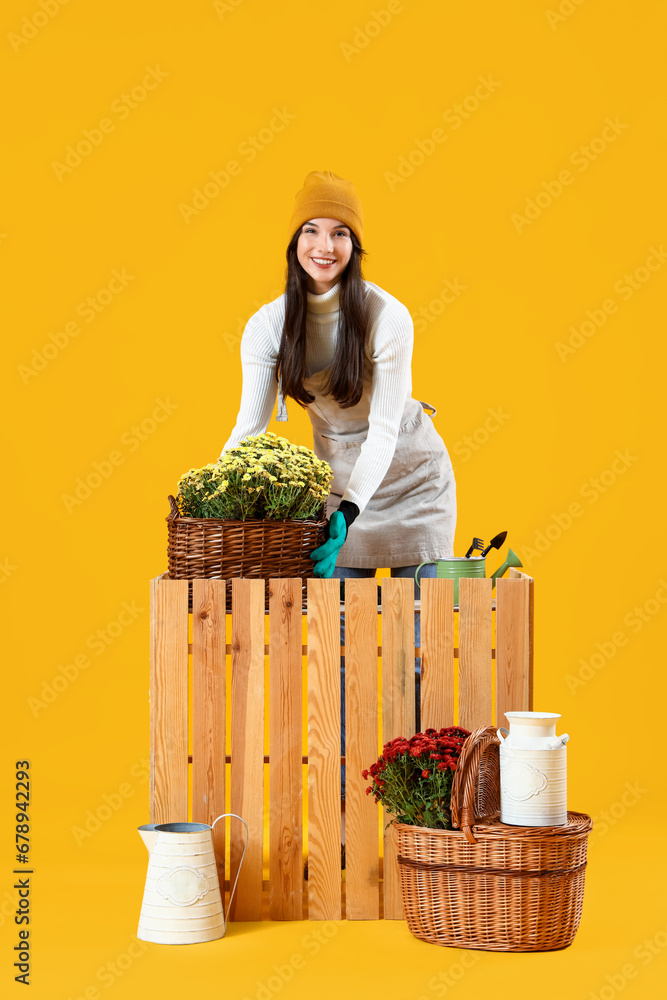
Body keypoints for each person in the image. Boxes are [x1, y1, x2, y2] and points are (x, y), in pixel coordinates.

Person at [220, 169, 457, 804]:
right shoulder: (268, 326)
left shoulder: (387, 316)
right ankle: (348, 803)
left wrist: (349, 508)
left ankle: (423, 809)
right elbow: (248, 428)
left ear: (356, 245)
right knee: (341, 652)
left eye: (340, 233)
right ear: (293, 240)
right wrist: (212, 493)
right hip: (340, 482)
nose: (324, 246)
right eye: (310, 230)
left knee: (420, 651)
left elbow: (382, 430)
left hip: (411, 478)